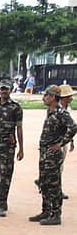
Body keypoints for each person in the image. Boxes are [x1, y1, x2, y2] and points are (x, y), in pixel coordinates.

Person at [29, 85, 76, 225]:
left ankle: (56, 214)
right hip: (44, 152)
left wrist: (61, 144)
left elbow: (73, 127)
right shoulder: (50, 112)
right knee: (43, 182)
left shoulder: (61, 113)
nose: (44, 98)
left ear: (54, 97)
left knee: (53, 184)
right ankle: (46, 210)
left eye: (46, 95)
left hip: (53, 154)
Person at [0, 80, 24, 217]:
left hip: (8, 146)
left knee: (5, 174)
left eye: (6, 89)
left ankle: (2, 203)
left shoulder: (15, 107)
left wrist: (21, 148)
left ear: (10, 90)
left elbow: (19, 128)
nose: (3, 91)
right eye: (2, 89)